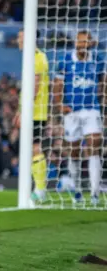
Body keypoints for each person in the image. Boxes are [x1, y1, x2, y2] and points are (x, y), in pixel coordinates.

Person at [53, 30, 105, 205]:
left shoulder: (98, 61)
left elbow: (103, 85)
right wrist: (59, 105)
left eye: (84, 42)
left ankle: (95, 193)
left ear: (90, 43)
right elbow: (58, 85)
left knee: (94, 145)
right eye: (79, 42)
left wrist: (103, 106)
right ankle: (77, 189)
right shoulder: (65, 61)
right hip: (72, 112)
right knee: (74, 151)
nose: (81, 45)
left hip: (91, 109)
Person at [13, 29, 49, 203]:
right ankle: (36, 188)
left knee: (34, 148)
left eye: (20, 37)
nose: (17, 40)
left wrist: (23, 111)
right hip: (32, 111)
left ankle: (40, 189)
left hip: (35, 112)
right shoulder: (31, 58)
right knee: (31, 148)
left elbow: (34, 88)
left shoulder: (37, 58)